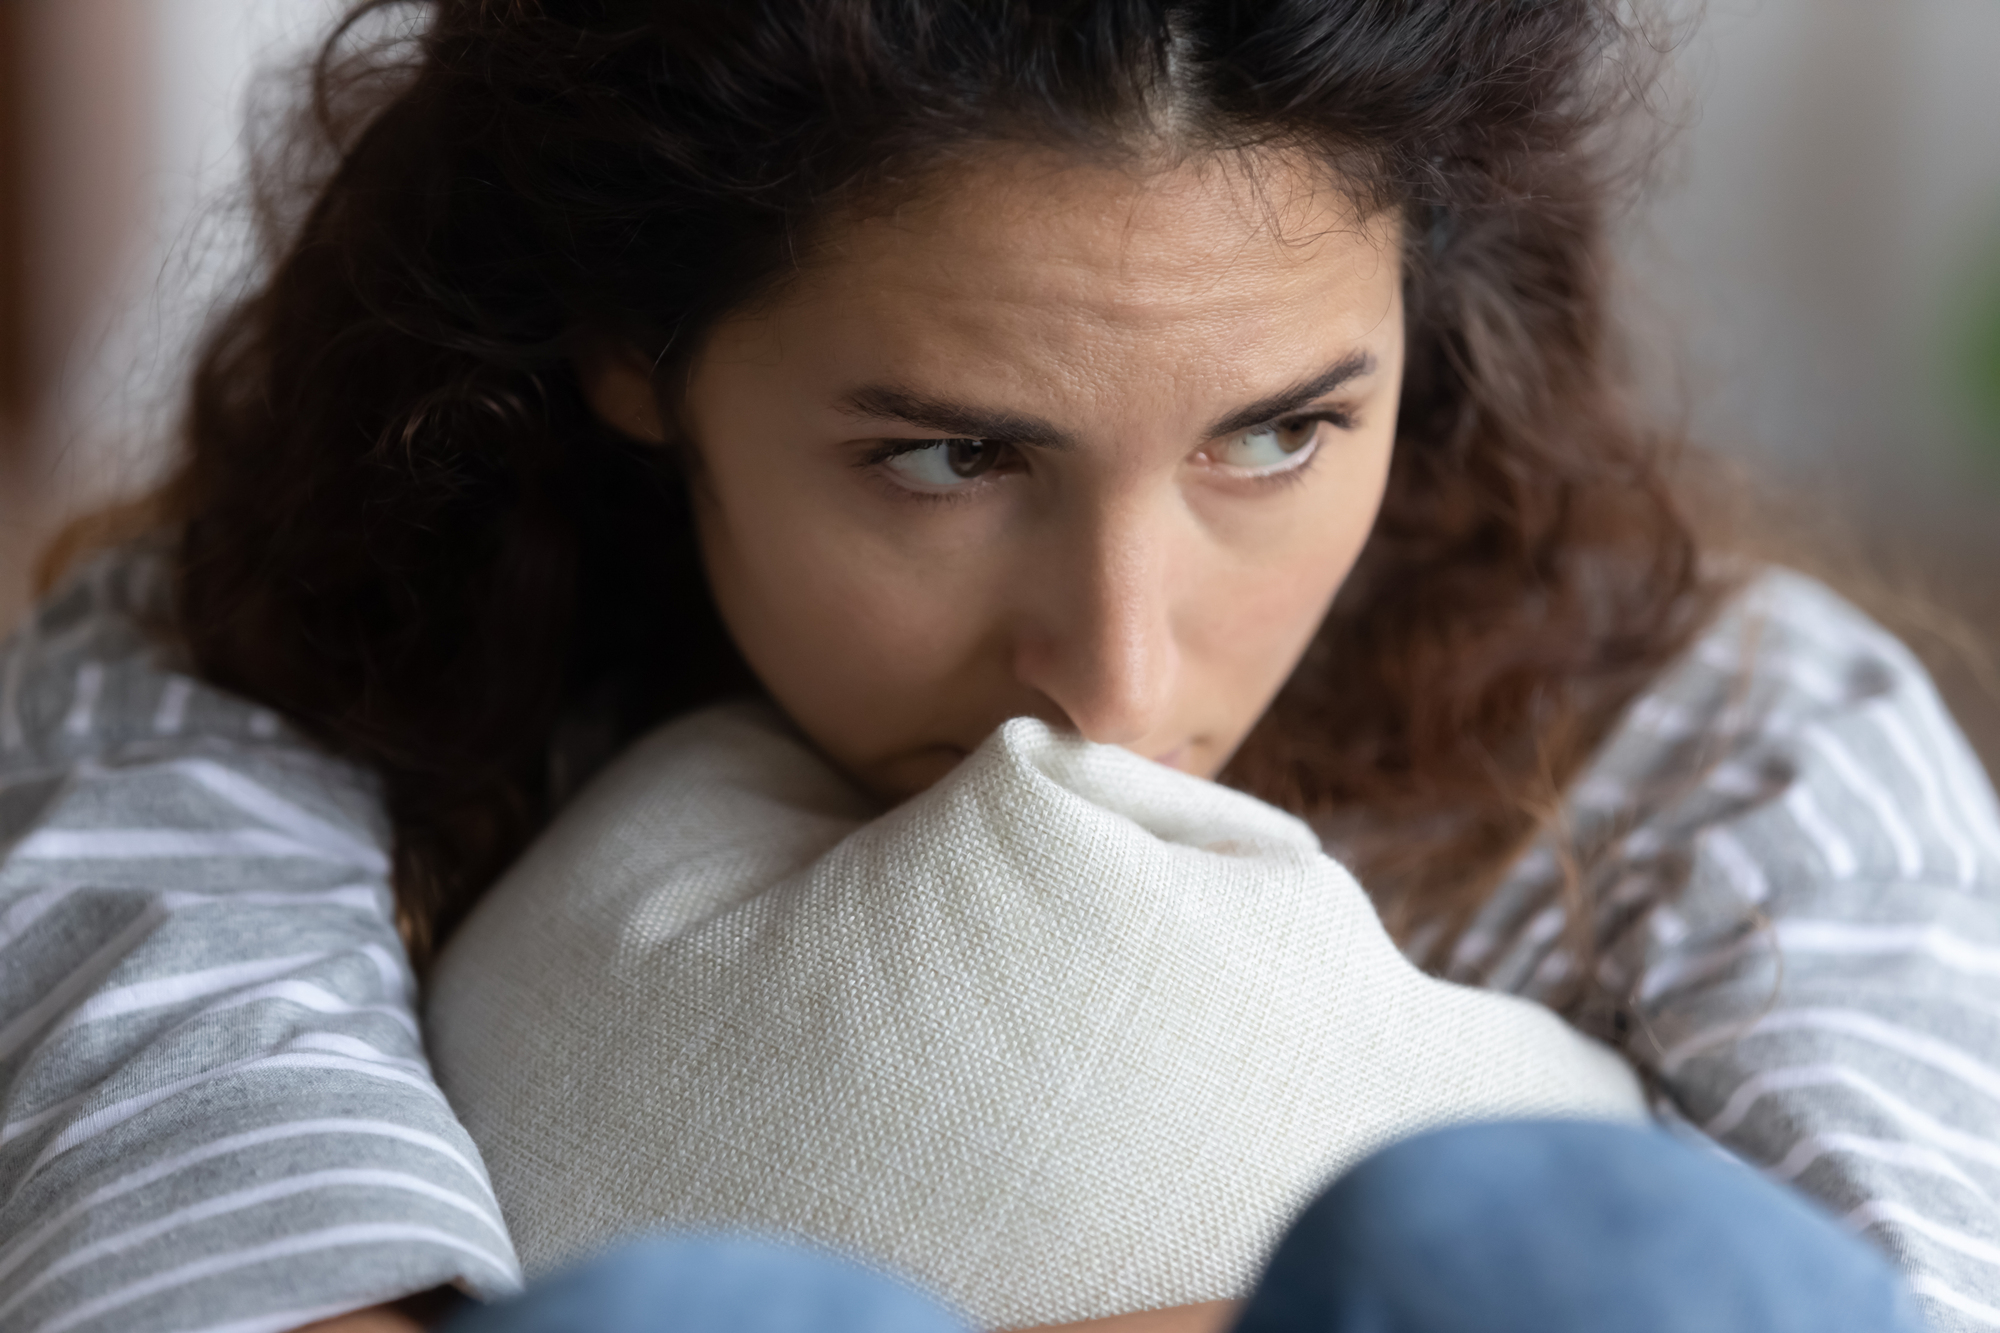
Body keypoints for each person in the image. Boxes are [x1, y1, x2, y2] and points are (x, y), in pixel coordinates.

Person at [0, 0, 1995, 1330]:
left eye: (1281, 430)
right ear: (629, 345)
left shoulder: (1738, 750)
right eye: (949, 457)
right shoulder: (225, 701)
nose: (1116, 680)